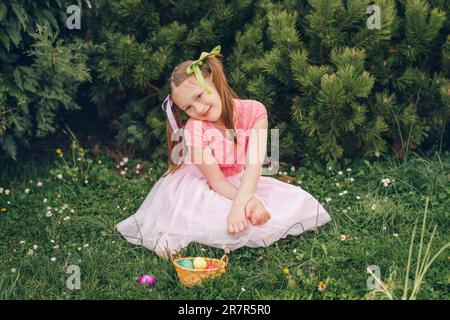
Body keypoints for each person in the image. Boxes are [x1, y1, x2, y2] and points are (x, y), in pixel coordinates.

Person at [115, 45, 331, 259]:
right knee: (217, 218)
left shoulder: (254, 111)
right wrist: (245, 202)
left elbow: (254, 165)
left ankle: (245, 205)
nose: (198, 110)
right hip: (203, 183)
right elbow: (216, 181)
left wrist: (245, 200)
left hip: (241, 178)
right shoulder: (193, 129)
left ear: (215, 81)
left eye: (199, 96)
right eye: (188, 108)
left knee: (287, 204)